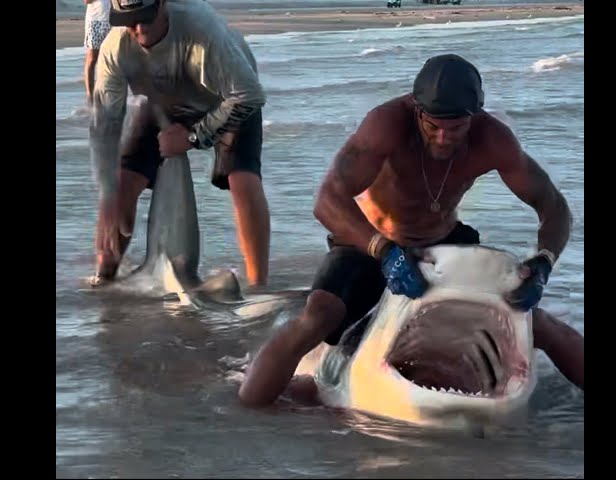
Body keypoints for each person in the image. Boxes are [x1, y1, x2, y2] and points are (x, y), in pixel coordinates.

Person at [238, 53, 584, 407]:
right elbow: (327, 200)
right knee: (320, 315)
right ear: (416, 109)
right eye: (433, 126)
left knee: (527, 319)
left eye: (456, 129)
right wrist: (384, 251)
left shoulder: (494, 140)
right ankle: (243, 412)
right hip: (368, 243)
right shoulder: (386, 124)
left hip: (443, 245)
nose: (442, 138)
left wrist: (543, 263)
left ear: (475, 115)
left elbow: (555, 208)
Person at [89, 0, 271, 287]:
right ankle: (105, 279)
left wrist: (192, 137)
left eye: (146, 17)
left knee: (243, 181)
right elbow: (104, 127)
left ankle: (259, 287)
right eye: (130, 19)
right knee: (120, 187)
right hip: (164, 102)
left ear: (163, 4)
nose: (139, 27)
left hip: (227, 98)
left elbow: (250, 96)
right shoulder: (116, 48)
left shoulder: (202, 30)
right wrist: (106, 197)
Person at [83, 0, 112, 103]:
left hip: (113, 20)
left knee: (110, 59)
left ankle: (106, 95)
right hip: (95, 20)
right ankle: (90, 97)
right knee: (92, 59)